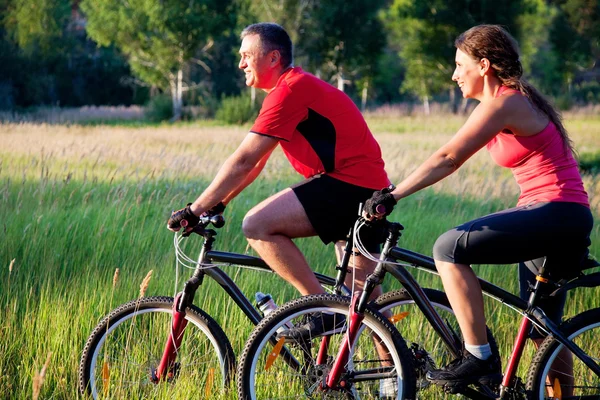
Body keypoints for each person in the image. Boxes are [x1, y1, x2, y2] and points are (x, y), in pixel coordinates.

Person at [364, 24, 593, 391]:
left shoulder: (506, 103)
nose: (454, 75)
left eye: (459, 65)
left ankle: (479, 355)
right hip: (561, 215)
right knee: (543, 331)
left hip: (556, 211)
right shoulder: (509, 101)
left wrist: (392, 195)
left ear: (483, 65)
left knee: (447, 248)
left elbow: (449, 157)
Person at [167, 22, 390, 336]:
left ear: (273, 58)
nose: (240, 64)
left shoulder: (289, 91)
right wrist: (218, 204)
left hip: (349, 186)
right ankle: (396, 378)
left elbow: (243, 160)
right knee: (364, 304)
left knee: (257, 225)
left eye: (247, 56)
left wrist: (194, 209)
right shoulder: (291, 88)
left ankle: (320, 307)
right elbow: (256, 163)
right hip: (365, 190)